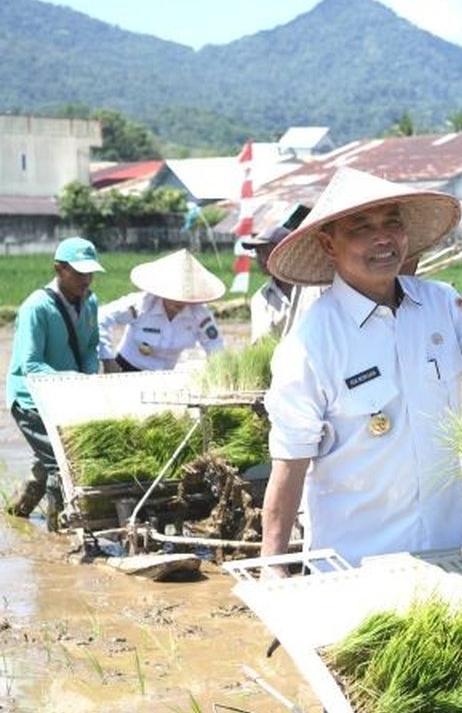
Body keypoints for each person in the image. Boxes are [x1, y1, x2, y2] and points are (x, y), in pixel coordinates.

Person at [259, 167, 462, 567]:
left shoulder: (441, 303)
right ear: (329, 244)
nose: (382, 237)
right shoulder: (310, 344)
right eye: (361, 228)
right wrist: (273, 566)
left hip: (446, 552)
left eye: (392, 223)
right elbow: (290, 463)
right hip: (355, 564)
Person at [5, 237, 105, 526]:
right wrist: (75, 380)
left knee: (47, 459)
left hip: (66, 397)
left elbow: (91, 347)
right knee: (63, 464)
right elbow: (31, 365)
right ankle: (58, 532)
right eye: (79, 272)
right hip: (30, 400)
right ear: (59, 269)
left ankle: (15, 516)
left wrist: (89, 377)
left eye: (90, 272)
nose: (87, 279)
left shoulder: (91, 302)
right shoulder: (36, 307)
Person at [97, 249, 227, 372]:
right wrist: (107, 359)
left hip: (165, 375)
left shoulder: (199, 314)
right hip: (127, 368)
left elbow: (215, 344)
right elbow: (101, 317)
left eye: (185, 296)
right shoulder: (141, 305)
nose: (179, 301)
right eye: (174, 295)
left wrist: (217, 371)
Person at [240, 204, 317, 342]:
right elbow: (261, 343)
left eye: (266, 251)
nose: (261, 259)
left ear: (286, 252)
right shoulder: (261, 298)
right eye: (258, 253)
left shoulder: (315, 288)